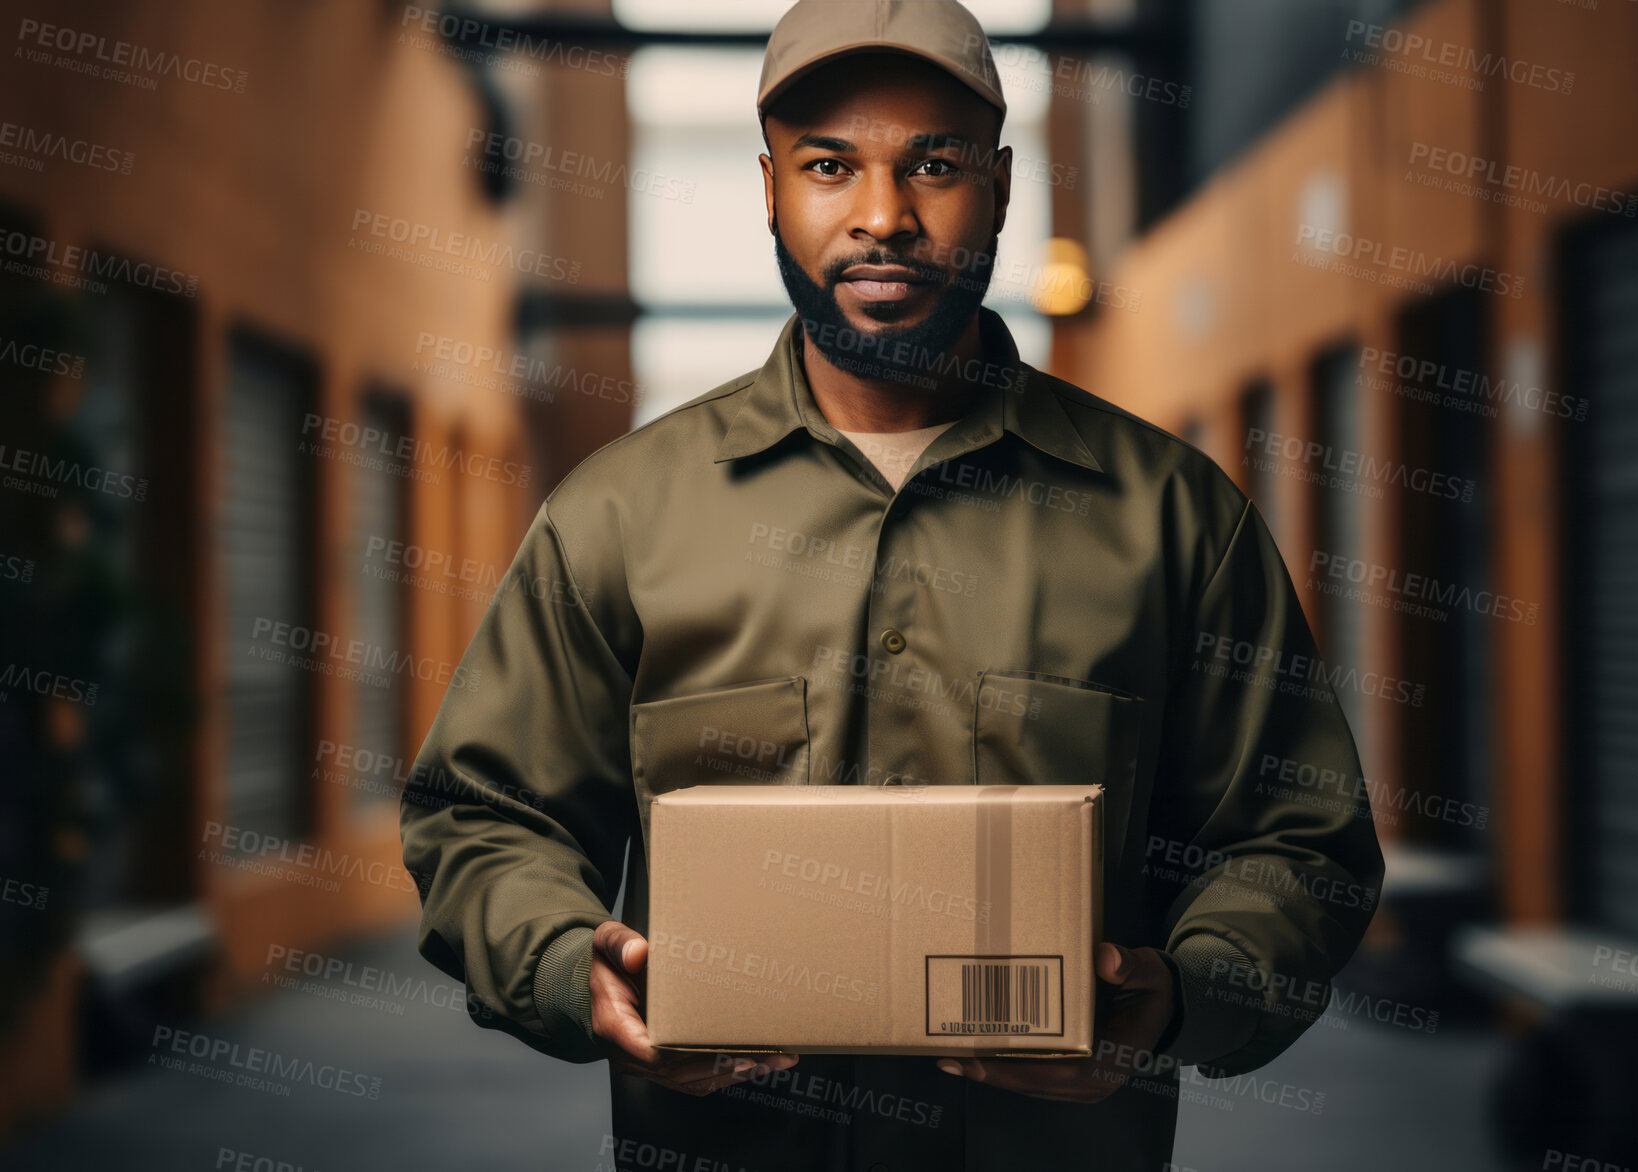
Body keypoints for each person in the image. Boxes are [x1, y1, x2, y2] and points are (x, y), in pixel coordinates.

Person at [399, 3, 1384, 1169]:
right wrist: (577, 969)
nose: (882, 216)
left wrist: (1170, 996)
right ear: (769, 190)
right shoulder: (617, 516)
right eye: (829, 166)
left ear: (1003, 187)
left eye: (935, 164)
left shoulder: (1171, 518)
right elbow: (485, 816)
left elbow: (1298, 840)